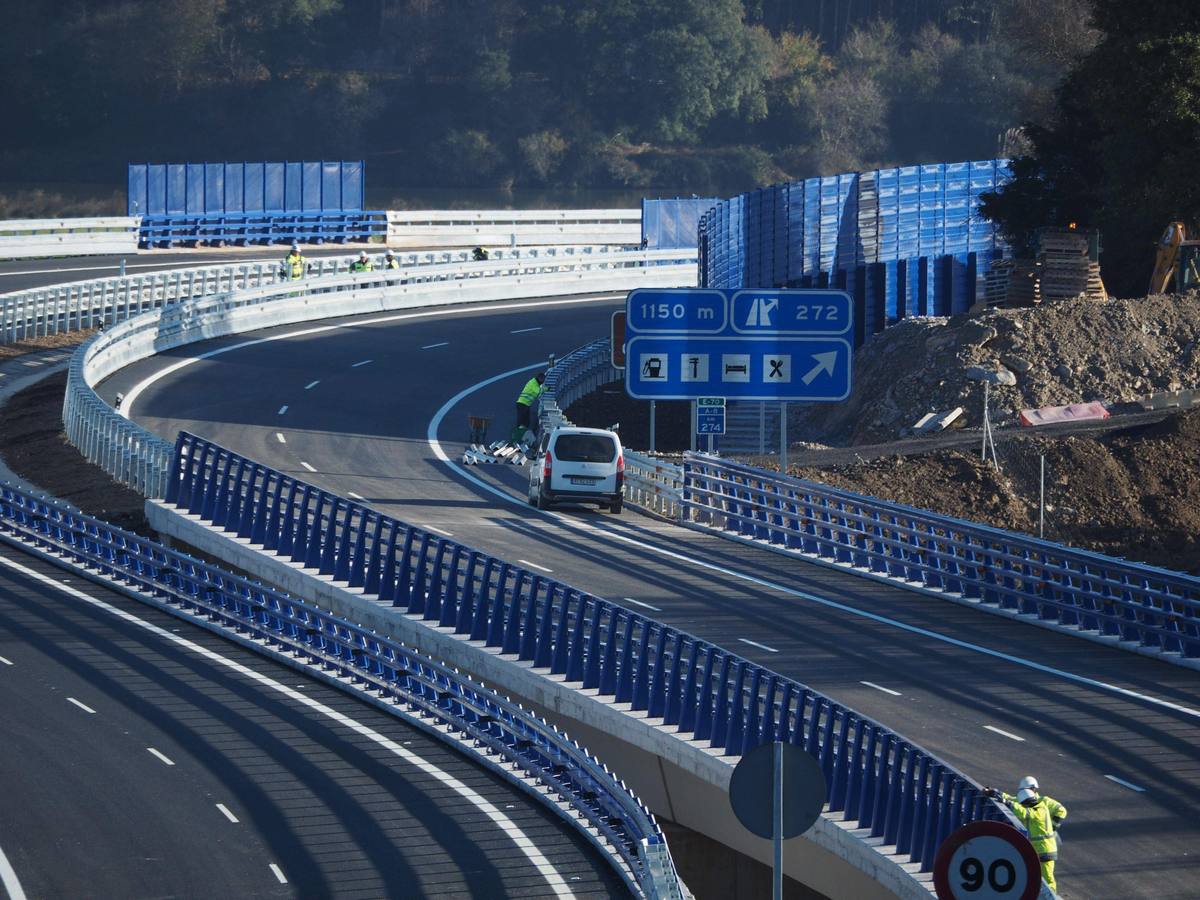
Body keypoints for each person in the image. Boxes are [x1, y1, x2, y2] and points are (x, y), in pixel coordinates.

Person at [983, 780, 1067, 893]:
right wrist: (996, 793)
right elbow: (1014, 800)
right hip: (1037, 849)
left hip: (1044, 851)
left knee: (1047, 881)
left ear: (1027, 802)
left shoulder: (1040, 809)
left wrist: (1053, 827)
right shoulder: (1035, 805)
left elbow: (1023, 812)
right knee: (1036, 879)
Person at [512, 372, 545, 442]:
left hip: (526, 405)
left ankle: (523, 437)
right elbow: (538, 392)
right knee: (521, 421)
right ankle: (517, 438)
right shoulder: (533, 384)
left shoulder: (535, 383)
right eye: (542, 381)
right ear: (540, 380)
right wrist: (546, 389)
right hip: (522, 404)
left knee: (526, 422)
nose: (542, 383)